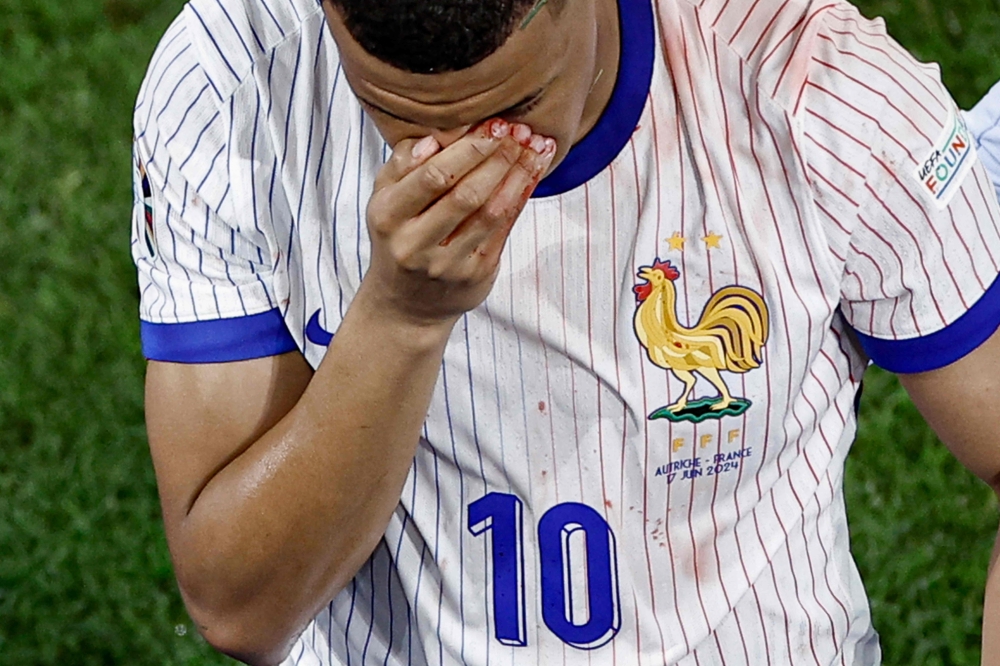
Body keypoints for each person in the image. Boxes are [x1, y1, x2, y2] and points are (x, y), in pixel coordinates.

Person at [130, 0, 1000, 662]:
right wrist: (400, 318)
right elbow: (239, 607)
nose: (462, 161)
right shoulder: (228, 83)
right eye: (397, 116)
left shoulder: (815, 86)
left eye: (516, 109)